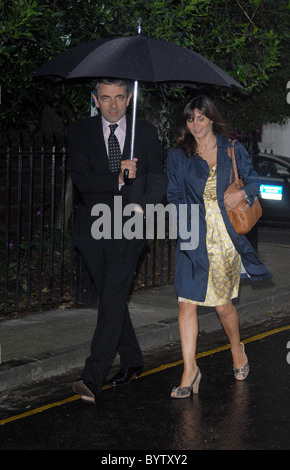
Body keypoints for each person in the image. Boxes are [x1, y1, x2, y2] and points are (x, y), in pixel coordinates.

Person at [68, 78, 167, 404]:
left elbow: (157, 177)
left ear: (128, 100)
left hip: (131, 227)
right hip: (93, 228)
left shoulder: (146, 132)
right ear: (96, 100)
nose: (113, 105)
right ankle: (133, 358)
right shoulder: (81, 132)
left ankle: (91, 378)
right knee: (113, 300)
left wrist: (144, 204)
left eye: (119, 97)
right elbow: (81, 179)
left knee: (110, 299)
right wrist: (118, 176)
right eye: (106, 98)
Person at [166, 95, 271, 399]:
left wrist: (242, 196)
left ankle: (236, 348)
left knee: (223, 306)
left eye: (200, 118)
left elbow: (253, 183)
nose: (195, 125)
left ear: (211, 118)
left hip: (225, 240)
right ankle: (190, 370)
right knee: (186, 303)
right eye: (190, 119)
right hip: (192, 236)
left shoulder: (232, 149)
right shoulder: (178, 155)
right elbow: (173, 194)